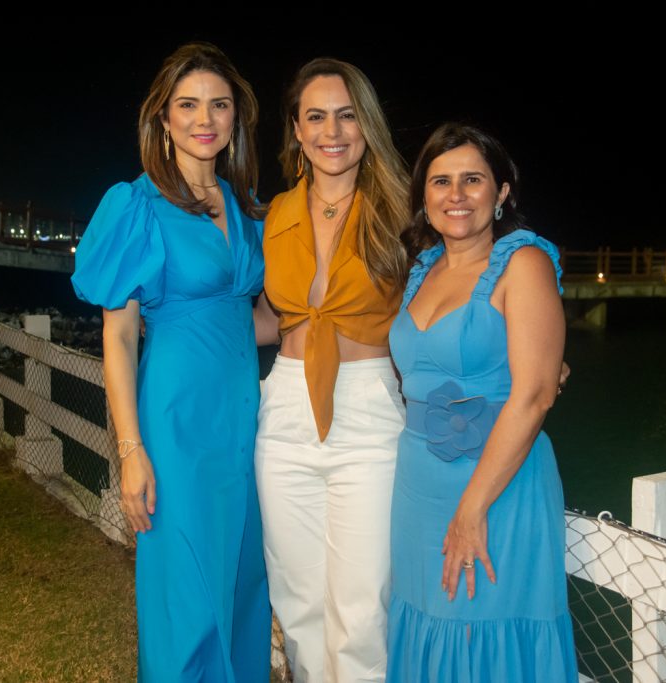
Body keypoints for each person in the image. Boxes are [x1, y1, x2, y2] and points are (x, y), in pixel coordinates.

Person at [71, 43, 271, 682]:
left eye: (219, 104)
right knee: (185, 599)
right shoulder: (138, 206)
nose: (204, 118)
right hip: (176, 424)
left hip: (243, 423)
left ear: (236, 118)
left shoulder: (245, 208)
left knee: (241, 590)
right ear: (163, 118)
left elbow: (259, 321)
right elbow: (120, 336)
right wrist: (131, 449)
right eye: (187, 105)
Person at [386, 123, 578, 682]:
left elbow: (536, 391)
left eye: (473, 179)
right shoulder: (422, 269)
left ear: (502, 192)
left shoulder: (523, 263)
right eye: (441, 181)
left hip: (495, 488)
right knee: (424, 620)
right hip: (417, 486)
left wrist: (471, 509)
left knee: (482, 634)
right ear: (423, 196)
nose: (456, 194)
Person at [252, 58, 411, 682]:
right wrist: (184, 318)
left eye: (347, 115)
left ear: (367, 127)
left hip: (370, 414)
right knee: (296, 604)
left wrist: (531, 345)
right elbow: (272, 317)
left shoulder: (401, 212)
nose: (332, 130)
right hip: (285, 406)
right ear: (295, 128)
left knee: (362, 609)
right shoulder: (271, 218)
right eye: (315, 116)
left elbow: (461, 284)